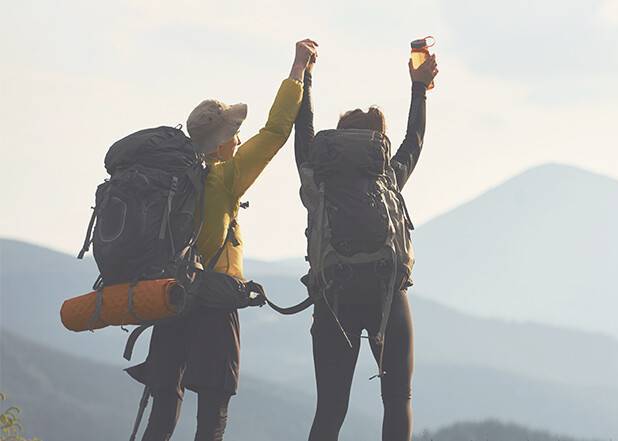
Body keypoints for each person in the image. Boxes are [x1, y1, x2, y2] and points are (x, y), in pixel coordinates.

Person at [125, 38, 318, 441]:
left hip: (169, 295)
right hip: (214, 298)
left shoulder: (172, 182)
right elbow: (277, 130)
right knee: (212, 414)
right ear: (221, 139)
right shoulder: (224, 178)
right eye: (235, 132)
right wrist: (298, 69)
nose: (239, 138)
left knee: (164, 407)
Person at [294, 50, 438, 441]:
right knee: (396, 399)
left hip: (333, 296)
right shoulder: (388, 176)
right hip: (386, 294)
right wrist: (419, 87)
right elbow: (415, 139)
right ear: (378, 143)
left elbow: (303, 131)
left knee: (330, 409)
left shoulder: (315, 177)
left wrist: (305, 78)